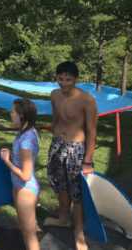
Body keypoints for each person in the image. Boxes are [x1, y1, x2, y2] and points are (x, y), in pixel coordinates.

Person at [44, 61, 97, 250]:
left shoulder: (87, 100)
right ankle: (64, 218)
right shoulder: (54, 95)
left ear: (76, 79)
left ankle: (79, 232)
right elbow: (55, 119)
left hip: (77, 148)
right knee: (59, 184)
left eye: (68, 79)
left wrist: (88, 160)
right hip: (58, 144)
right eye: (60, 79)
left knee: (77, 191)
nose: (64, 83)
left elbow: (92, 131)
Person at [0, 99, 40, 250]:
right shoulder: (25, 132)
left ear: (21, 115)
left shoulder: (27, 140)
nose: (10, 114)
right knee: (24, 230)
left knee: (29, 234)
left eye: (13, 112)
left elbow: (25, 175)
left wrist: (7, 161)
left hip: (25, 188)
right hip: (19, 186)